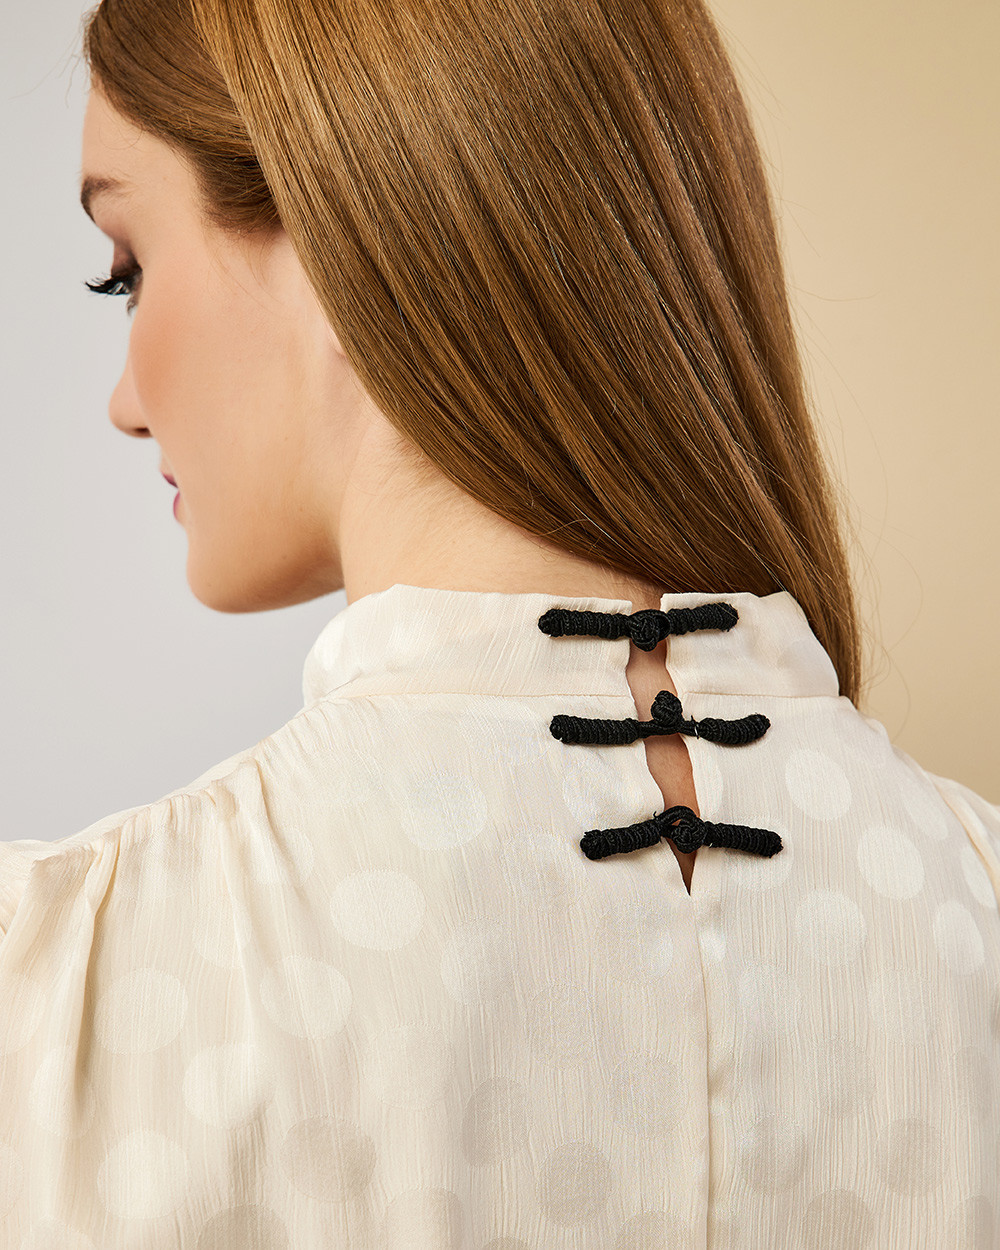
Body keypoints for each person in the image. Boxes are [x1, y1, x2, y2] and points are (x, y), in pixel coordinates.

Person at [1, 0, 996, 1243]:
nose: (124, 401)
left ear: (340, 236)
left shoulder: (57, 1005)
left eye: (129, 268)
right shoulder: (976, 901)